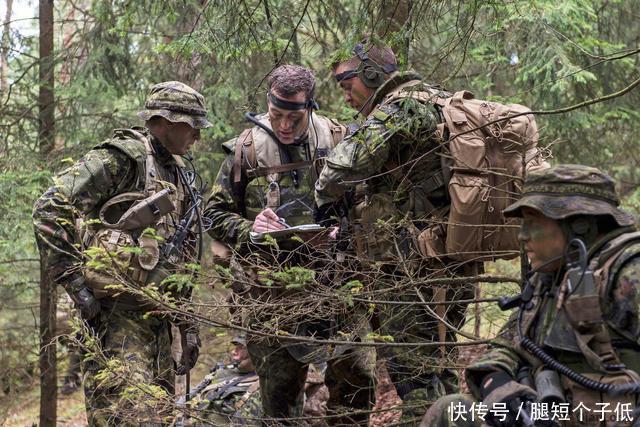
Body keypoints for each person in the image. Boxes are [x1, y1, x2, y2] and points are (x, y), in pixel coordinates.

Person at [315, 40, 478, 423]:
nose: (345, 95)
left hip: (411, 268)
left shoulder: (400, 107)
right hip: (452, 259)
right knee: (439, 363)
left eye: (346, 82)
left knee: (413, 379)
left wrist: (323, 192)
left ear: (372, 74)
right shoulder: (440, 101)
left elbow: (339, 170)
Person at [204, 64, 376, 425]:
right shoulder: (245, 152)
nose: (283, 125)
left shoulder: (340, 140)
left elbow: (368, 206)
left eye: (293, 118)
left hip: (339, 288)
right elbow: (213, 214)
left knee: (356, 384)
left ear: (309, 107)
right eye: (275, 114)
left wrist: (342, 231)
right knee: (279, 401)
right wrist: (251, 228)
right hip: (270, 296)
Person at [33, 81, 211, 425]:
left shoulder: (178, 172)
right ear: (168, 121)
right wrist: (74, 282)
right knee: (127, 416)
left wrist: (188, 325)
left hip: (158, 322)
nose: (197, 138)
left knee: (159, 418)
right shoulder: (120, 158)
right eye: (193, 128)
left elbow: (182, 255)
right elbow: (49, 210)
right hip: (114, 319)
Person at [421, 164, 640, 427]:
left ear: (580, 227)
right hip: (548, 415)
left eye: (532, 224)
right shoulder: (548, 279)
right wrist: (500, 389)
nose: (522, 236)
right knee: (451, 410)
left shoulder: (628, 271)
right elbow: (505, 348)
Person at [186, 334, 261, 426]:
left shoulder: (260, 388)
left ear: (255, 353)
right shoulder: (222, 372)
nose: (234, 352)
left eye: (241, 348)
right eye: (235, 347)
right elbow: (191, 395)